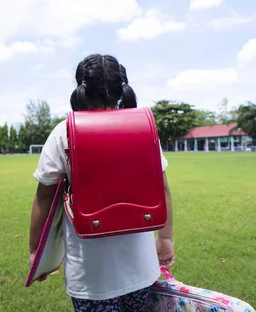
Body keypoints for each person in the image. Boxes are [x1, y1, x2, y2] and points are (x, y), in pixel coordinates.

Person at [28, 54, 175, 311]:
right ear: (122, 89)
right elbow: (162, 188)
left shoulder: (64, 132)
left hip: (91, 277)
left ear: (81, 89)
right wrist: (165, 238)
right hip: (141, 268)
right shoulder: (143, 128)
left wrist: (35, 253)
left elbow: (44, 197)